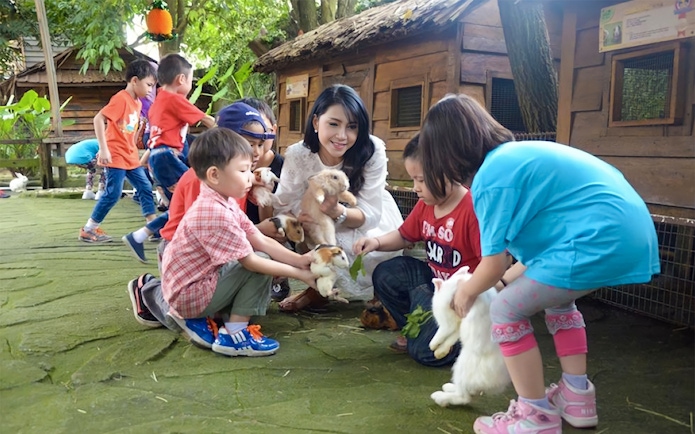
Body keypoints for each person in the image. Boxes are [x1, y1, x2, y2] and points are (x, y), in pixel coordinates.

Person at [418, 94, 660, 433]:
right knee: (559, 301)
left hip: (597, 237)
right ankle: (577, 397)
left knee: (505, 311)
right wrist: (499, 282)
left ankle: (535, 416)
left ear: (446, 152)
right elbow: (532, 259)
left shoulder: (491, 177)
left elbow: (493, 264)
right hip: (628, 230)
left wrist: (467, 293)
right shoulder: (514, 160)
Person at [126, 128, 318, 357]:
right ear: (215, 175)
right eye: (243, 170)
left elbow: (259, 238)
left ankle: (220, 320)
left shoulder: (219, 199)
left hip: (192, 283)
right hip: (188, 295)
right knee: (260, 265)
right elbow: (252, 262)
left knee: (262, 258)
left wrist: (301, 260)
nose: (250, 177)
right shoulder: (214, 212)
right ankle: (234, 335)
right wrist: (301, 274)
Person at [353, 134, 489, 367]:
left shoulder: (472, 209)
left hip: (466, 298)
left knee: (426, 354)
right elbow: (405, 235)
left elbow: (491, 264)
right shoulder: (427, 204)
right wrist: (375, 242)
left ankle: (464, 341)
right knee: (387, 272)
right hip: (436, 286)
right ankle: (418, 328)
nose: (415, 188)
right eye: (413, 180)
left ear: (450, 172)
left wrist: (468, 294)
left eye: (422, 180)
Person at [273, 84, 403, 311]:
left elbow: (371, 213)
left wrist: (337, 212)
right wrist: (304, 219)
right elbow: (284, 201)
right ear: (316, 123)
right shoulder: (299, 154)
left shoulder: (372, 150)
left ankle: (379, 291)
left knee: (369, 249)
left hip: (364, 219)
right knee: (307, 232)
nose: (342, 136)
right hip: (314, 219)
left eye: (352, 127)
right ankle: (316, 289)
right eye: (333, 124)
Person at [122, 102, 275, 264]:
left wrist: (264, 192)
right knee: (259, 260)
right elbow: (203, 233)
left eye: (260, 144)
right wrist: (258, 231)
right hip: (183, 251)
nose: (257, 152)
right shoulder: (200, 179)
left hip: (209, 246)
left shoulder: (240, 175)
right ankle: (153, 288)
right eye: (250, 144)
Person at [120, 54, 215, 252]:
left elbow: (157, 136)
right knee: (196, 197)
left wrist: (144, 160)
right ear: (181, 79)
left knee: (181, 204)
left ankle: (140, 236)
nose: (190, 85)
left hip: (158, 158)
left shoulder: (158, 102)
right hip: (167, 158)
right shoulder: (175, 99)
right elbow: (208, 121)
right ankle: (171, 244)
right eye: (190, 80)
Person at [77, 60, 158, 243]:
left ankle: (152, 227)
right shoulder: (121, 98)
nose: (150, 90)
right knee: (113, 193)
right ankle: (88, 229)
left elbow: (130, 129)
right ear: (135, 80)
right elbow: (98, 119)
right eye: (149, 85)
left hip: (129, 154)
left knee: (145, 187)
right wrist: (104, 149)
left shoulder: (137, 103)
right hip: (115, 154)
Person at [236, 97, 291, 301]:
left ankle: (275, 276)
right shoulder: (230, 172)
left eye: (262, 134)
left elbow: (272, 218)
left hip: (268, 229)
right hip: (241, 232)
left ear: (273, 131)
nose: (255, 149)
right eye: (249, 138)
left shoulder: (284, 168)